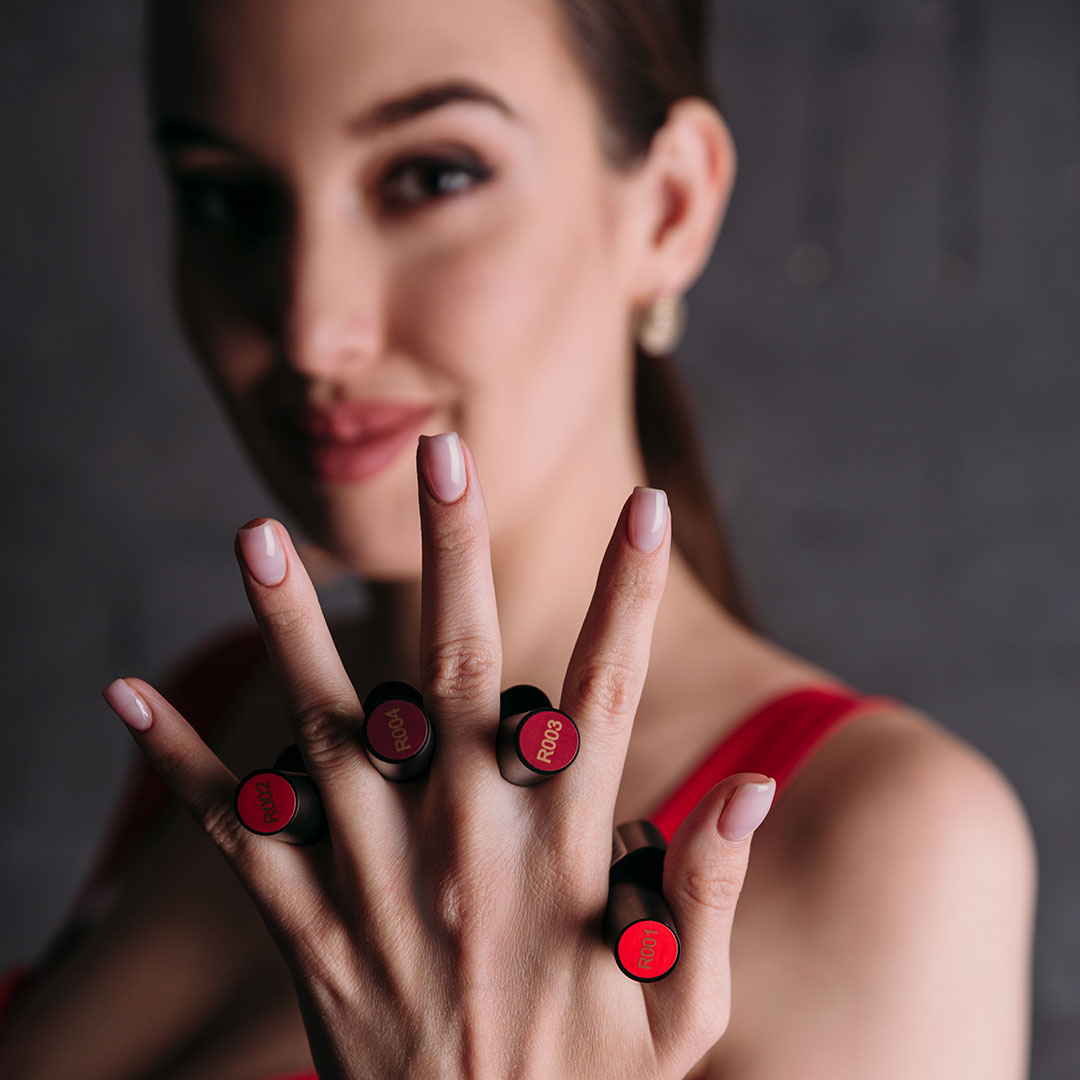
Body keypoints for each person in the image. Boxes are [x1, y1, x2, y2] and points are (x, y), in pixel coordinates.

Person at [0, 0, 1037, 1077]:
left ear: (669, 208)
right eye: (225, 197)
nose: (313, 329)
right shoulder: (235, 703)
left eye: (432, 177)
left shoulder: (889, 850)